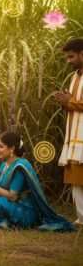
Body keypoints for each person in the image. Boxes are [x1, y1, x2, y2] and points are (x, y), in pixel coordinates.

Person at [0, 132, 74, 231]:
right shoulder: (4, 165)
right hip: (6, 205)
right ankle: (1, 223)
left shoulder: (20, 166)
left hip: (24, 210)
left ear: (12, 149)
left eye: (0, 146)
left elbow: (12, 196)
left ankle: (3, 223)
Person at [55, 38, 83, 226]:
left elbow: (75, 103)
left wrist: (69, 101)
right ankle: (81, 218)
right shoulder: (75, 77)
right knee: (76, 177)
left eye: (72, 56)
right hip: (75, 134)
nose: (69, 61)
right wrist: (64, 101)